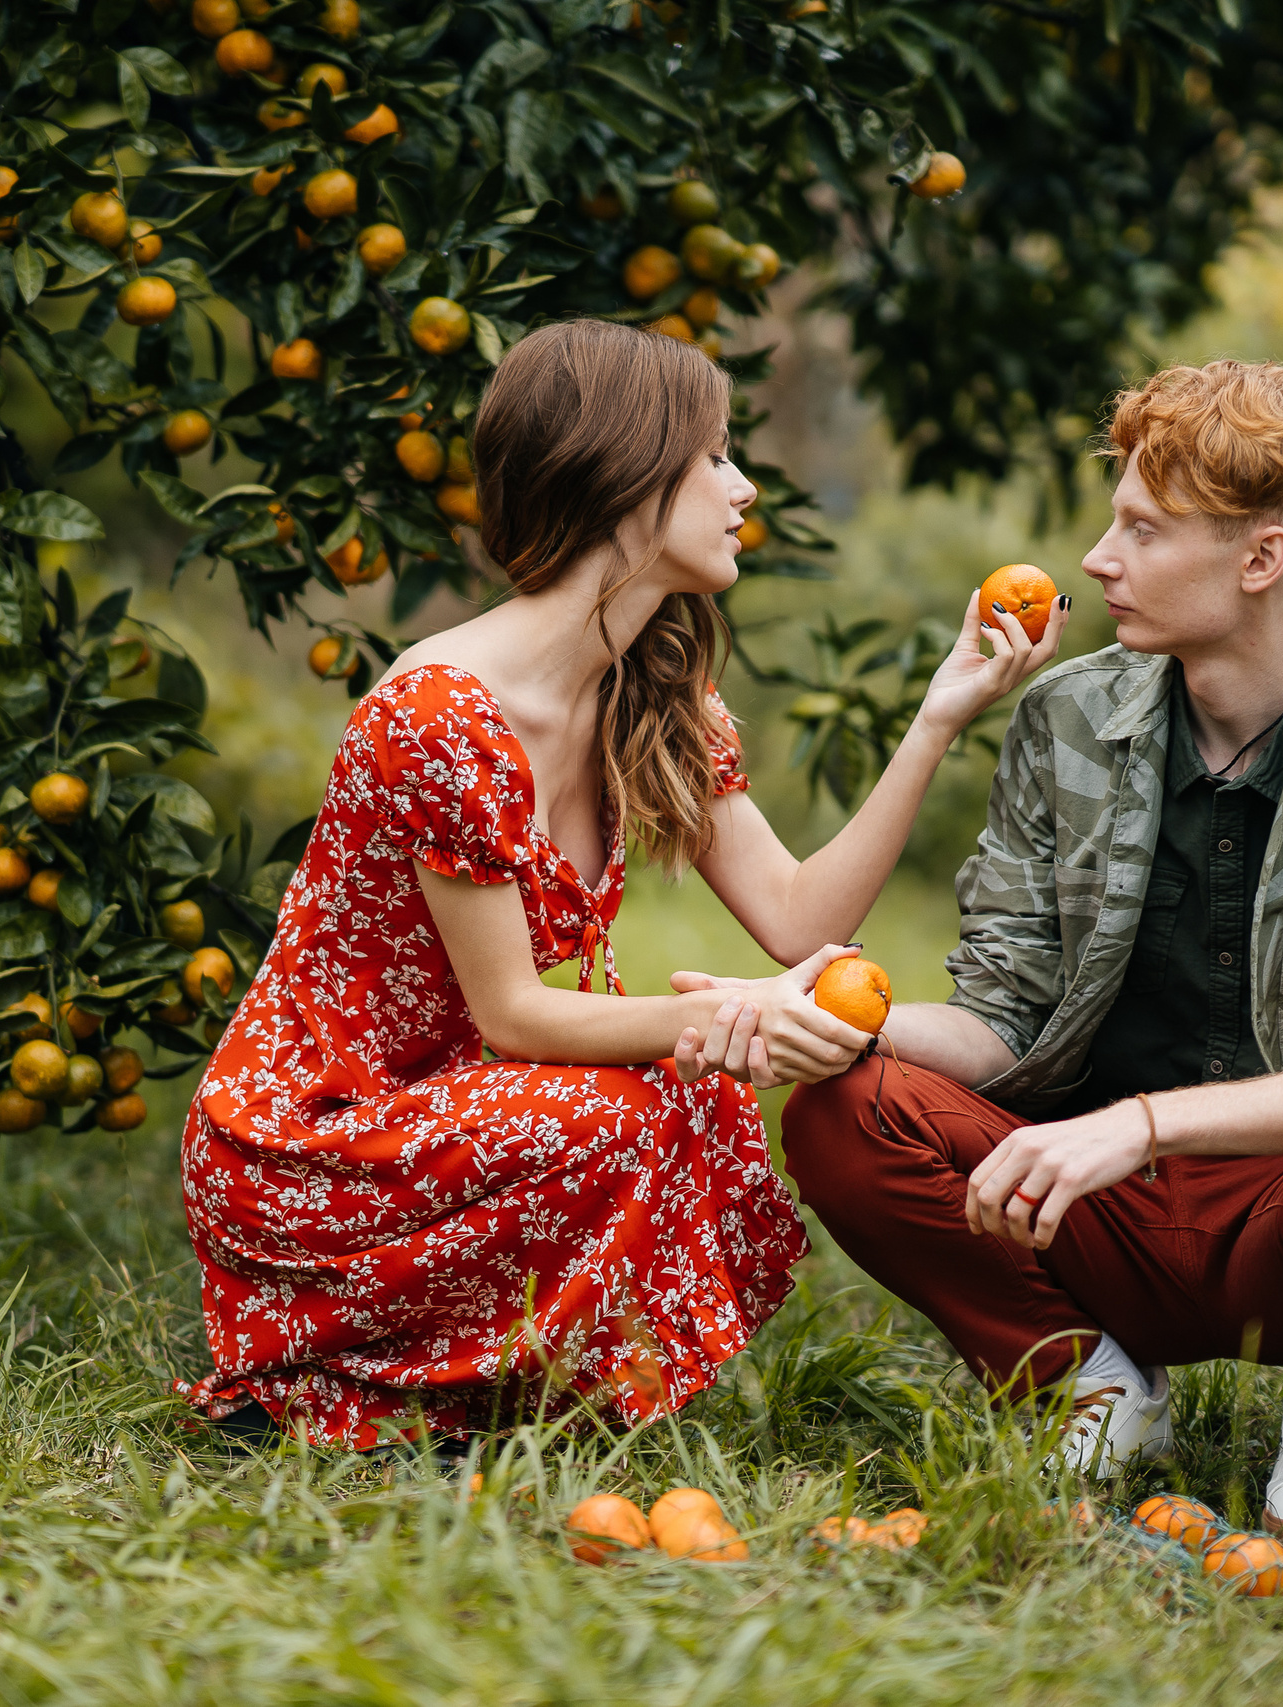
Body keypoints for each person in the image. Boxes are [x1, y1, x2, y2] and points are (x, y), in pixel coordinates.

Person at [177, 319, 1069, 1449]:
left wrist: (939, 718)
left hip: (452, 1107)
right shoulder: (441, 713)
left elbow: (800, 917)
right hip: (311, 1137)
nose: (743, 489)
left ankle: (486, 1399)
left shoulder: (649, 689)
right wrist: (730, 1016)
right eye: (714, 458)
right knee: (642, 1097)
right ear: (623, 476)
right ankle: (369, 1377)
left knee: (681, 1092)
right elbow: (514, 1015)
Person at [768, 360, 1283, 1536]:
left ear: (1260, 558)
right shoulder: (1064, 718)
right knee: (845, 1107)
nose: (1096, 559)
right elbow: (1004, 1015)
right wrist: (830, 1016)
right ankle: (1087, 1381)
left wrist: (1142, 1126)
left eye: (1142, 529)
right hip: (1080, 1205)